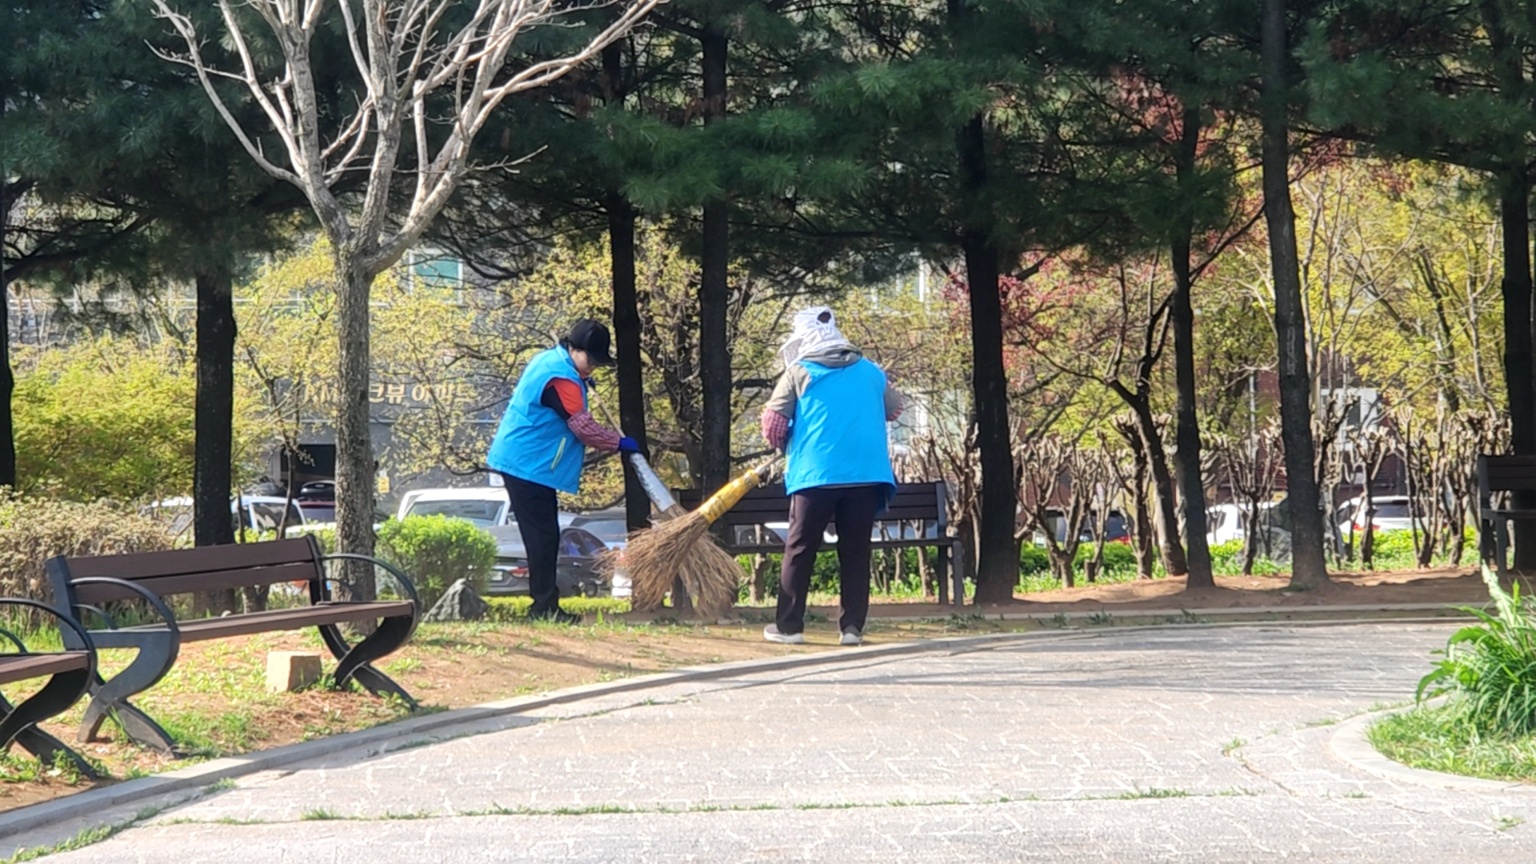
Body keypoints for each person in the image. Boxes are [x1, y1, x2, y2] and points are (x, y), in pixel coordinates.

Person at [759, 307, 902, 646]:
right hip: (866, 474)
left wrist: (787, 439)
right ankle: (852, 628)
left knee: (800, 548)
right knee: (855, 551)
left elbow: (772, 425)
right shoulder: (871, 371)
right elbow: (894, 409)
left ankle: (790, 627)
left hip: (816, 473)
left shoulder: (800, 371)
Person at [487, 319, 640, 623]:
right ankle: (543, 607)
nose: (593, 367)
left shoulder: (551, 361)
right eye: (590, 361)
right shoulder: (562, 379)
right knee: (542, 538)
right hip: (526, 464)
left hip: (529, 462)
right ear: (574, 349)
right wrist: (618, 443)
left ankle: (545, 604)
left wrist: (582, 381)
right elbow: (583, 429)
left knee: (545, 536)